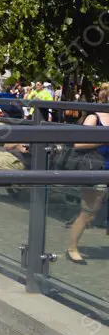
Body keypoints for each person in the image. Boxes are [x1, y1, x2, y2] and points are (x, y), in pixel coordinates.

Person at [64, 87, 109, 264]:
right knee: (89, 212)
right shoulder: (94, 117)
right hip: (97, 168)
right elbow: (78, 143)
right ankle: (72, 247)